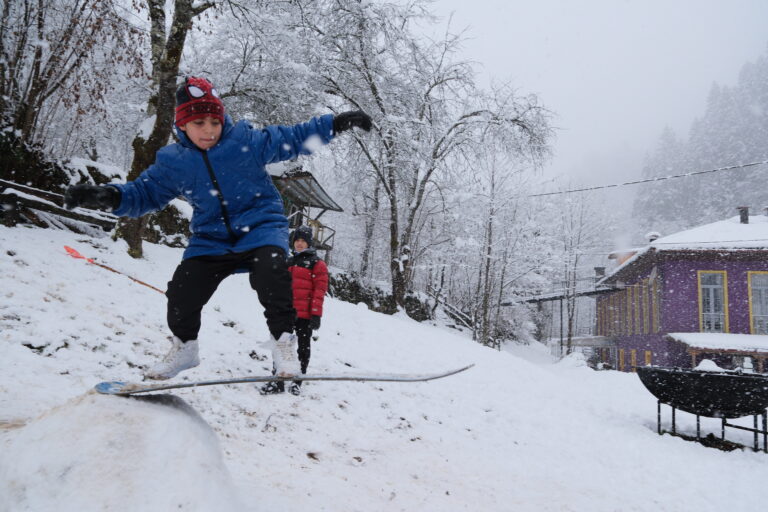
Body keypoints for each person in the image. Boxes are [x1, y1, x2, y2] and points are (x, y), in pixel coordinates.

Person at [63, 76, 371, 381]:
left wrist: (335, 124)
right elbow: (144, 194)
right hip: (211, 239)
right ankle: (185, 348)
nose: (209, 130)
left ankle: (284, 344)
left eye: (215, 121)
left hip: (261, 227)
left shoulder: (245, 141)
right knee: (182, 290)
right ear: (182, 125)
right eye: (199, 123)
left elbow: (292, 138)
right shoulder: (174, 162)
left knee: (271, 274)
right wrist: (107, 196)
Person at [260, 225, 328, 396]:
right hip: (286, 313)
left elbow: (319, 292)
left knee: (302, 349)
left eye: (303, 241)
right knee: (282, 345)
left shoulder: (317, 264)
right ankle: (278, 379)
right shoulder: (288, 261)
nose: (299, 243)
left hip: (305, 315)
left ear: (309, 243)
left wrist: (315, 314)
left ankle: (298, 380)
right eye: (297, 240)